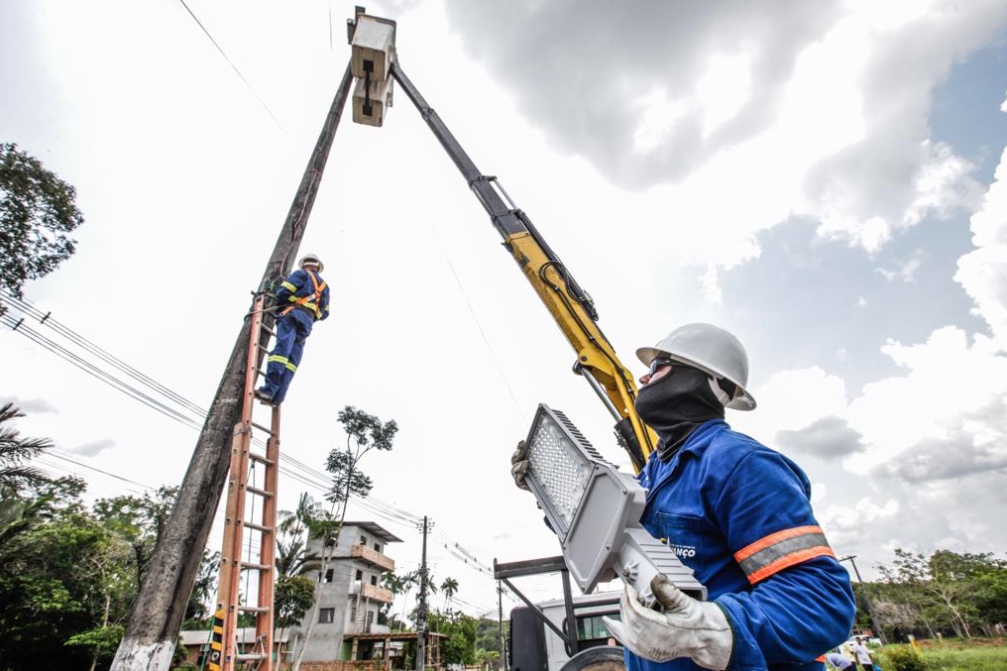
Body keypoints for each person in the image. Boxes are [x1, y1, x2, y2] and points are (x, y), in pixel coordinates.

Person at [511, 323, 856, 671]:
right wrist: (550, 494)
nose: (643, 380)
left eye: (656, 367)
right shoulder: (653, 474)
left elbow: (821, 602)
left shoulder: (740, 465)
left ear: (705, 381)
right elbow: (609, 557)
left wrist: (711, 628)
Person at [255, 253, 330, 405]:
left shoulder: (301, 274)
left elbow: (283, 292)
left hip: (292, 316)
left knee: (280, 353)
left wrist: (284, 304)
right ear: (318, 267)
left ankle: (269, 391)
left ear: (304, 265)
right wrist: (311, 316)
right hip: (307, 325)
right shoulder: (324, 287)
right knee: (292, 361)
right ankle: (278, 397)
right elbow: (324, 313)